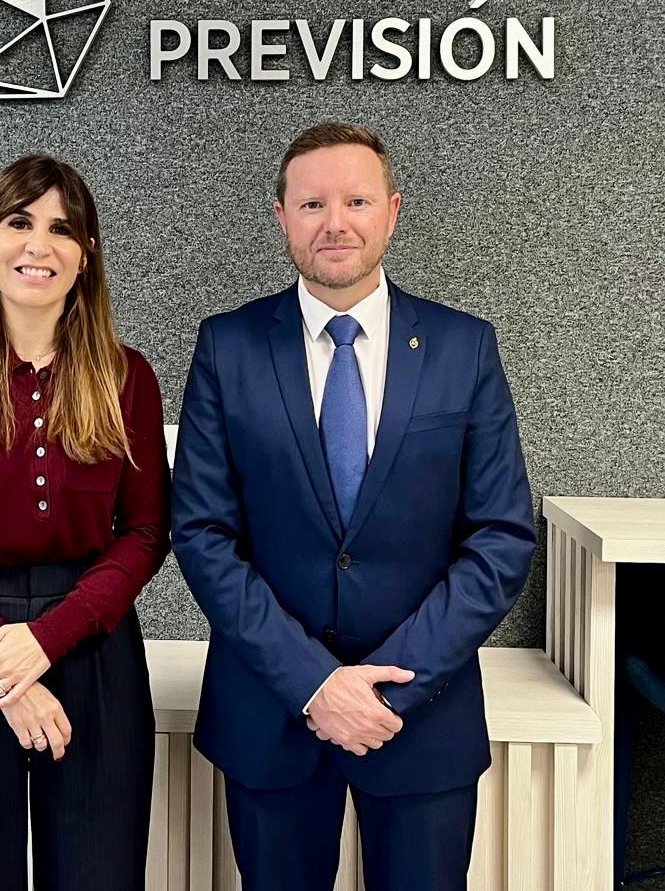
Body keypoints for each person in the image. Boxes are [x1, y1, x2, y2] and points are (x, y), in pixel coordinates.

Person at [172, 123, 536, 891]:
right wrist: (314, 684)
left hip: (421, 719)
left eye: (357, 201)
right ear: (282, 216)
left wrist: (388, 689)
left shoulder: (464, 347)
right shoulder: (228, 347)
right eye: (312, 204)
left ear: (392, 212)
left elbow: (500, 537)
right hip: (271, 714)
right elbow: (202, 534)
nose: (334, 222)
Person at [0, 154, 170, 890]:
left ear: (86, 256)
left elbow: (145, 533)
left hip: (93, 651)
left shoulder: (127, 377)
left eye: (62, 229)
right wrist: (7, 674)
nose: (39, 245)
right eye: (19, 223)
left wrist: (46, 641)